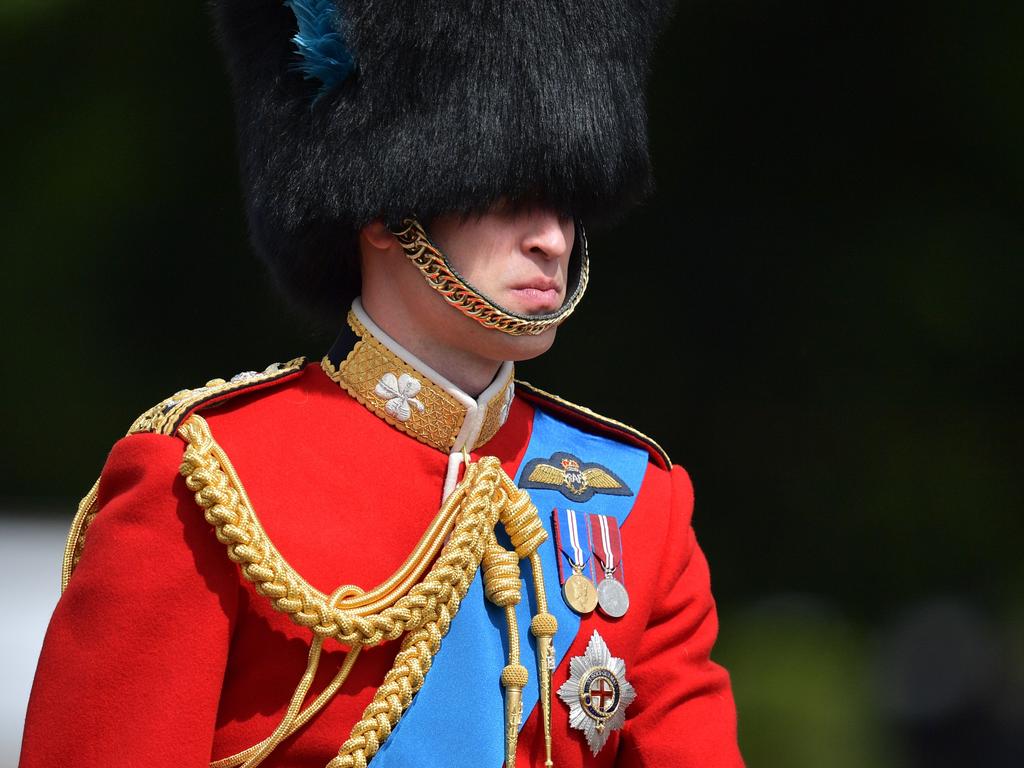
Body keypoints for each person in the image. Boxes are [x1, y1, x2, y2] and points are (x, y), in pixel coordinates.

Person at [20, 1, 743, 766]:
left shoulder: (635, 501)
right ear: (387, 212)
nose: (553, 238)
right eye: (508, 196)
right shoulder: (201, 479)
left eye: (566, 201)